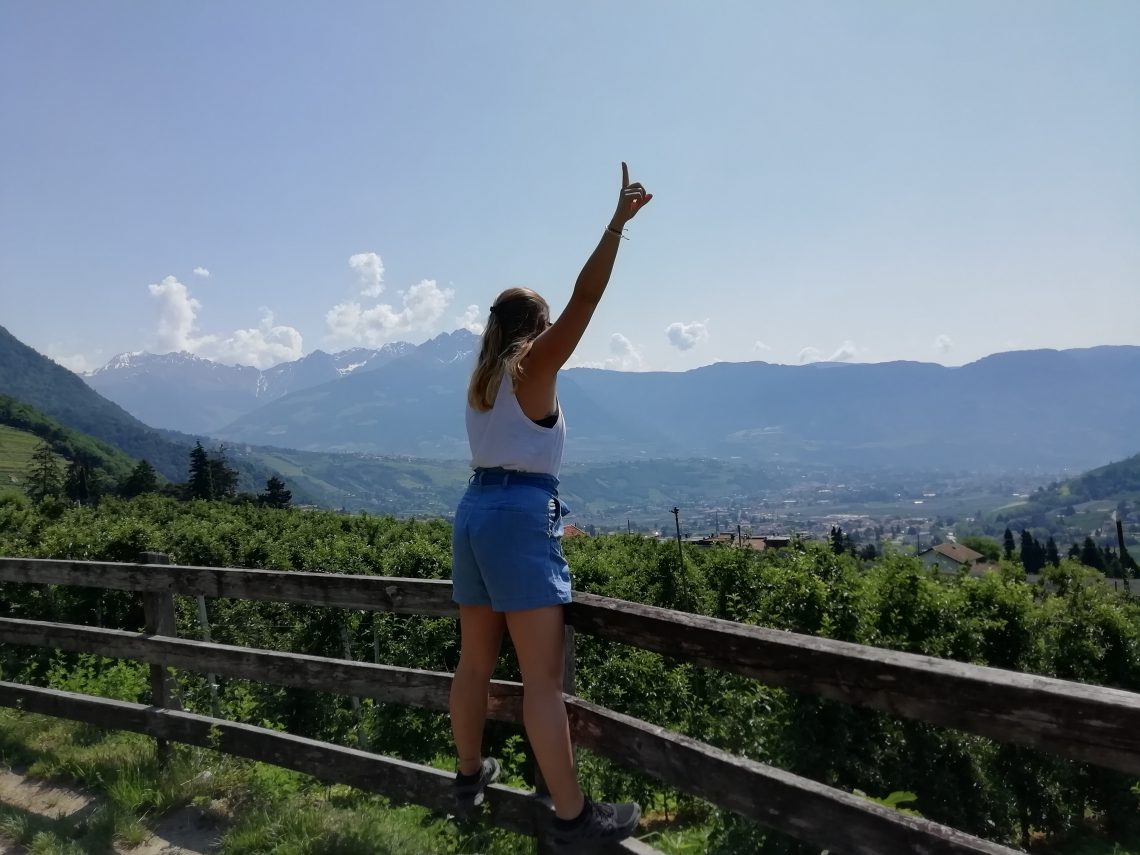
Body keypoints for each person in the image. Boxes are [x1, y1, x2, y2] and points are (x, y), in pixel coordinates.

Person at [449, 162, 652, 849]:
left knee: (474, 662)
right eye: (544, 323)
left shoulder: (481, 383)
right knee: (542, 680)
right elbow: (587, 299)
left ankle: (468, 774)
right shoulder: (532, 367)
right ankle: (572, 819)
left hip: (473, 513)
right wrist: (616, 226)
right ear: (534, 327)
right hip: (514, 521)